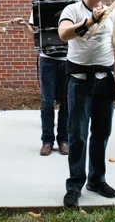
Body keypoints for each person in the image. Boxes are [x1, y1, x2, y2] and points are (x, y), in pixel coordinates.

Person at [58, 0, 115, 208]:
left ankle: (97, 179)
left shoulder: (111, 12)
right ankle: (75, 184)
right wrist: (91, 21)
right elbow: (63, 33)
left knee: (102, 133)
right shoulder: (72, 10)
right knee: (77, 135)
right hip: (79, 80)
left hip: (105, 78)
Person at [18, 10, 69, 156]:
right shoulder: (40, 6)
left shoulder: (72, 5)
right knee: (47, 103)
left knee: (66, 102)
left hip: (67, 59)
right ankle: (47, 141)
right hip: (47, 59)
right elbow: (33, 35)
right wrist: (24, 25)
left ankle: (64, 141)